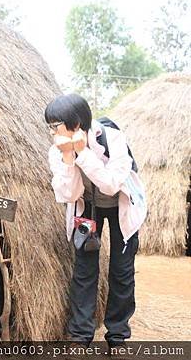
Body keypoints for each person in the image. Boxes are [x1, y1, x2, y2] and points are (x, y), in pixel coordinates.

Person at [44, 93, 147, 349]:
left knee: (121, 272)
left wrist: (82, 152)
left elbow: (111, 185)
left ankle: (117, 337)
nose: (52, 132)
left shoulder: (113, 139)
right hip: (88, 207)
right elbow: (68, 194)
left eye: (55, 126)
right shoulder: (57, 151)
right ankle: (80, 336)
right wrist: (69, 158)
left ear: (76, 124)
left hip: (122, 205)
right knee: (84, 271)